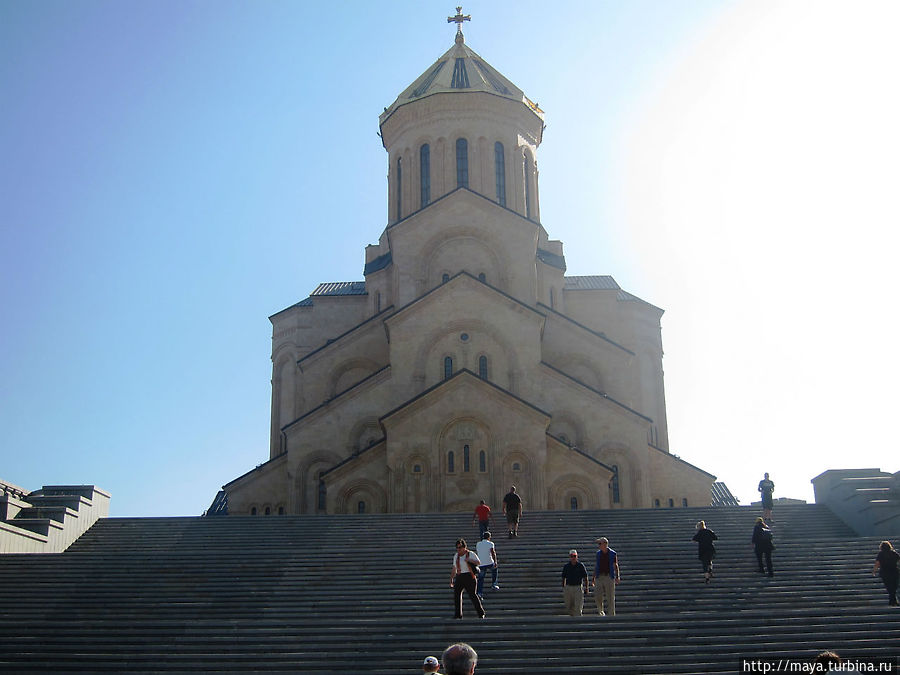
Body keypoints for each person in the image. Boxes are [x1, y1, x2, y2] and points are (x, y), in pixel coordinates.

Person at [450, 538, 485, 619]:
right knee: (457, 595)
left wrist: (469, 560)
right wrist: (451, 578)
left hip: (469, 576)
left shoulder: (470, 554)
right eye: (457, 547)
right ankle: (458, 614)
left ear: (464, 547)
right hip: (460, 576)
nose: (458, 549)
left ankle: (481, 613)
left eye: (460, 547)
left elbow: (478, 562)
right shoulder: (456, 556)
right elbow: (454, 568)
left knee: (473, 595)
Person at [591, 537, 621, 616]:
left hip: (608, 576)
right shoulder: (598, 553)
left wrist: (617, 576)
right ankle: (601, 612)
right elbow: (596, 565)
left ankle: (611, 614)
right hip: (599, 576)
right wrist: (593, 577)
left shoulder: (612, 553)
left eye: (600, 543)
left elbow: (615, 565)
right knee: (598, 596)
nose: (599, 545)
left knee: (610, 596)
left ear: (605, 544)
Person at [561, 549, 588, 616]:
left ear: (577, 556)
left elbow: (585, 577)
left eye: (574, 556)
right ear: (569, 557)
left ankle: (578, 619)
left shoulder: (580, 566)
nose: (573, 558)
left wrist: (587, 587)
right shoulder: (566, 566)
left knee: (578, 606)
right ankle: (572, 618)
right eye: (572, 556)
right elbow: (563, 577)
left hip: (578, 587)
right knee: (568, 605)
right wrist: (564, 587)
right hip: (568, 587)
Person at [872, 540, 899, 606]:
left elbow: (877, 564)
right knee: (894, 587)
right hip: (894, 572)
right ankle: (893, 601)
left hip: (885, 573)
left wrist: (874, 571)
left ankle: (892, 601)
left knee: (889, 587)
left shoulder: (881, 554)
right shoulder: (893, 553)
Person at [475, 531, 499, 598]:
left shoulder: (478, 544)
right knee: (494, 569)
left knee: (481, 578)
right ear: (489, 537)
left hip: (481, 563)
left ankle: (479, 592)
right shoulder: (490, 544)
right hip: (489, 562)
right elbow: (493, 553)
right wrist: (495, 562)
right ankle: (494, 584)